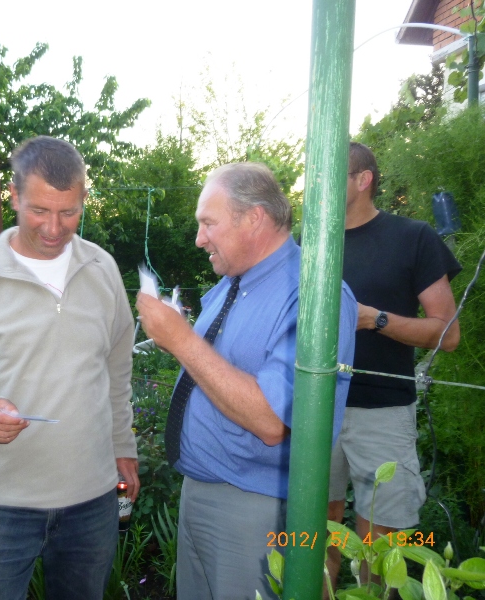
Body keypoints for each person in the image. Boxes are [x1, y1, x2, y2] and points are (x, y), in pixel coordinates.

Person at [0, 135, 139, 600]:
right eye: (39, 210)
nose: (54, 228)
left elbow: (117, 368)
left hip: (93, 500)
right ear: (14, 196)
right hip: (2, 504)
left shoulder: (102, 269)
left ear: (84, 198)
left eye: (69, 212)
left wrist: (123, 446)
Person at [136, 162, 357, 600]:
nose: (199, 239)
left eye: (208, 223)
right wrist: (180, 335)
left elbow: (273, 420)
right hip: (200, 491)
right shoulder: (233, 284)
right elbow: (220, 366)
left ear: (254, 217)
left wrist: (181, 340)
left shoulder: (313, 297)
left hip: (256, 509)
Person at [326, 142, 461, 587]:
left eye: (332, 173)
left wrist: (375, 319)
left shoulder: (413, 236)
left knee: (380, 546)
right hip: (316, 406)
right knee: (314, 532)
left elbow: (448, 333)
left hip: (382, 412)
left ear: (363, 179)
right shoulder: (313, 241)